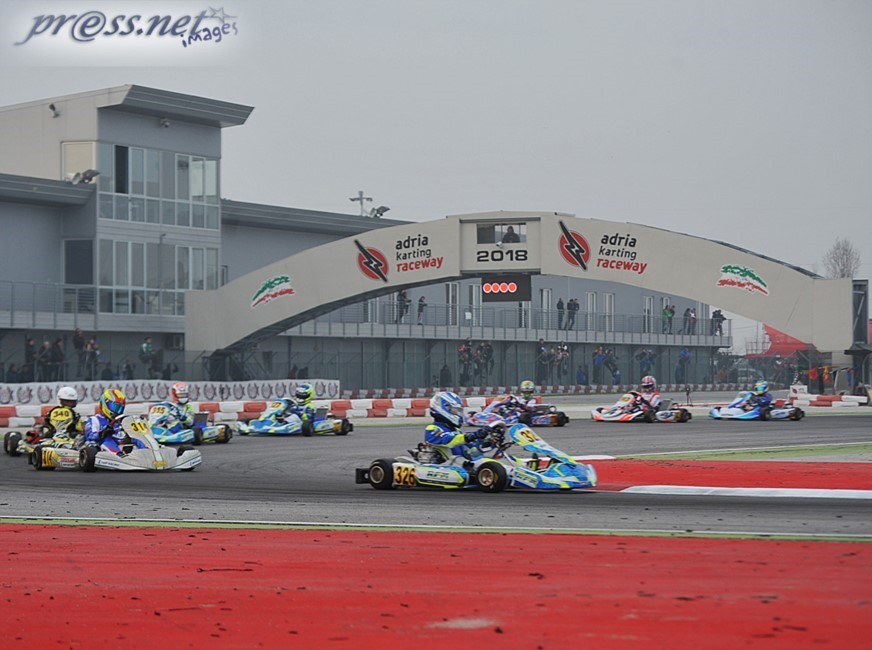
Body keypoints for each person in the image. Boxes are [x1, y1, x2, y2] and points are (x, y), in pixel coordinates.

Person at [424, 391, 490, 461]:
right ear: (444, 408)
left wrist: (486, 440)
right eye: (455, 410)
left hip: (462, 463)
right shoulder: (433, 429)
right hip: (445, 464)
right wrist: (470, 436)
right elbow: (447, 441)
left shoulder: (456, 430)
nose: (457, 413)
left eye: (458, 411)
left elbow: (472, 448)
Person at [83, 389, 131, 454]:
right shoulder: (94, 420)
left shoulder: (123, 421)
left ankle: (144, 453)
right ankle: (119, 455)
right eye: (115, 407)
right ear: (105, 404)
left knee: (137, 440)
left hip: (123, 447)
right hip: (103, 450)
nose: (117, 411)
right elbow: (90, 437)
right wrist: (102, 433)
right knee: (108, 439)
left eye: (120, 408)